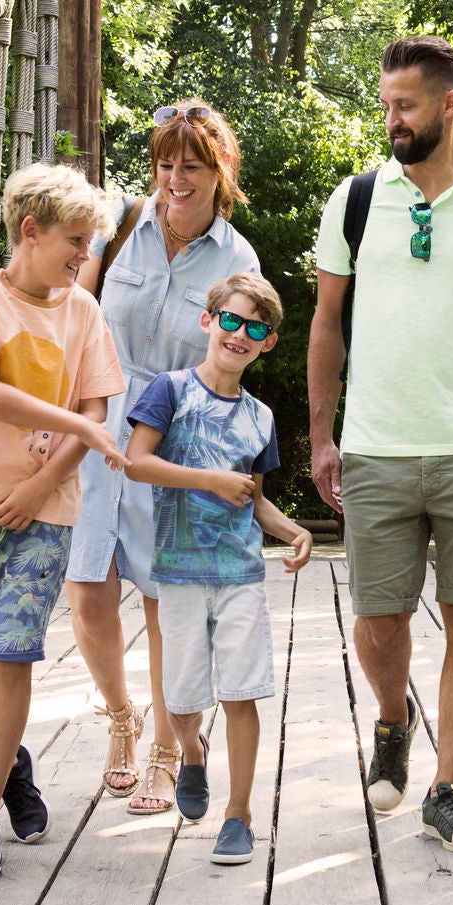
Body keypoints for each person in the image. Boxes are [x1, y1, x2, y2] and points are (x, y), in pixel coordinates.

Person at [308, 34, 453, 854]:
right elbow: (325, 324)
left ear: (451, 104)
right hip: (374, 446)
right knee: (378, 620)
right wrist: (319, 434)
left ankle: (447, 788)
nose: (392, 120)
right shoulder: (354, 199)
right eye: (386, 104)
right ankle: (391, 716)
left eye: (405, 105)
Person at [0, 163, 129, 885]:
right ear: (30, 231)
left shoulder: (83, 310)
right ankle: (11, 764)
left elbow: (98, 413)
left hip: (46, 510)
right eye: (76, 240)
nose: (85, 255)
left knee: (9, 655)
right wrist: (76, 422)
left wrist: (48, 475)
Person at [69, 102, 262, 817]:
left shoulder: (237, 260)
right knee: (87, 585)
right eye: (165, 162)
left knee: (162, 604)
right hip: (99, 419)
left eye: (192, 165)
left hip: (175, 434)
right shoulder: (116, 223)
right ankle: (123, 718)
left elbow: (231, 358)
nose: (175, 178)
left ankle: (165, 751)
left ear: (220, 171)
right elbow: (74, 315)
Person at [123, 272, 314, 865]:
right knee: (182, 699)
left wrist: (295, 530)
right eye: (230, 319)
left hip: (238, 573)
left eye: (255, 327)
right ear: (208, 321)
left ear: (268, 342)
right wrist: (209, 478)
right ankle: (192, 753)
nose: (240, 334)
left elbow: (251, 498)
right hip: (177, 572)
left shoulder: (260, 418)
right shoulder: (170, 390)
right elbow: (136, 464)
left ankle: (240, 815)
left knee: (242, 693)